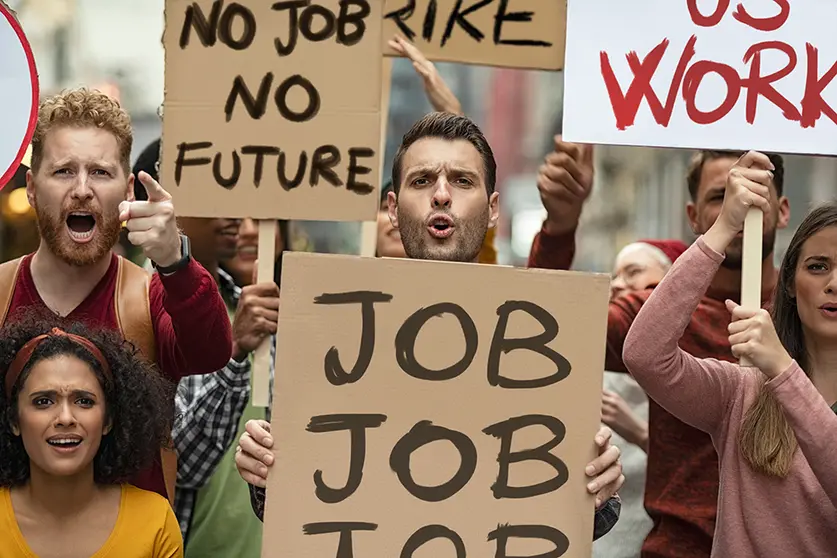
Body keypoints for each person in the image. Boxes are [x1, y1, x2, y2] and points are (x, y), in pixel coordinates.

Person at [235, 112, 625, 540]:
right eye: (421, 181)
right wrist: (265, 471)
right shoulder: (329, 329)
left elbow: (565, 520)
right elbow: (302, 506)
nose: (441, 194)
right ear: (392, 209)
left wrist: (599, 491)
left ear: (493, 209)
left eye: (462, 180)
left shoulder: (535, 337)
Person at [528, 141, 789, 557]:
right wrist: (560, 227)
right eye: (721, 196)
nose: (740, 204)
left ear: (784, 209)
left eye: (755, 190)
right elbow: (542, 333)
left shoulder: (812, 313)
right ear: (694, 216)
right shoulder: (658, 309)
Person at [3, 88, 233, 503]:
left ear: (128, 191)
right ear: (32, 188)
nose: (82, 190)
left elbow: (212, 350)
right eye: (63, 172)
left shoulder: (151, 298)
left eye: (100, 173)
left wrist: (175, 263)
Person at [624, 153, 837, 556]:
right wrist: (724, 227)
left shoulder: (775, 372)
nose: (834, 283)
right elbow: (645, 356)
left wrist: (782, 370)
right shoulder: (742, 392)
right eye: (818, 266)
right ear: (789, 285)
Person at [130, 139, 281, 556]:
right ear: (159, 206)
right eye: (215, 196)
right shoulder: (134, 306)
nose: (235, 212)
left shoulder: (255, 305)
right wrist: (233, 351)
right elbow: (186, 466)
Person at [0, 316, 182, 557]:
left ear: (108, 420)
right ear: (13, 420)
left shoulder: (155, 522)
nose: (65, 418)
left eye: (84, 401)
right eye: (43, 402)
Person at [597, 239, 686, 558]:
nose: (619, 285)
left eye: (633, 272)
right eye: (615, 277)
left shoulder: (694, 373)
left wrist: (638, 432)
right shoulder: (601, 362)